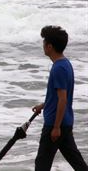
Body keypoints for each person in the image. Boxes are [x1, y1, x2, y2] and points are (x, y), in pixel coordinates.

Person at [31, 26, 87, 171]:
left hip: (55, 124)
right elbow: (58, 97)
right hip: (65, 122)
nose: (42, 46)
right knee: (77, 163)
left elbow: (63, 99)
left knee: (42, 165)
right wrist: (43, 105)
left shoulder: (58, 68)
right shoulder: (65, 64)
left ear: (50, 47)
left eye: (44, 43)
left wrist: (56, 127)